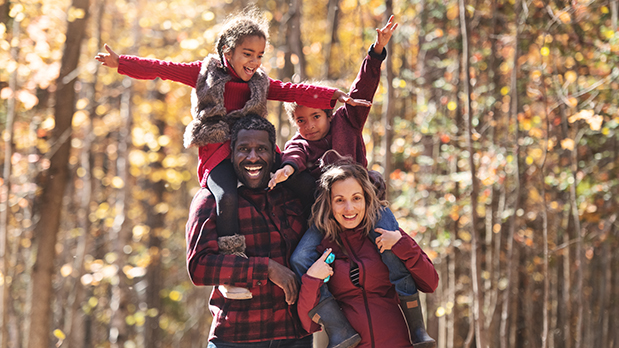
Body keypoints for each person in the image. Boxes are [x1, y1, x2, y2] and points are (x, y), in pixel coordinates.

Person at [96, 7, 369, 300]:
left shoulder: (259, 82)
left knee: (305, 185)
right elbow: (162, 69)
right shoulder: (204, 74)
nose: (254, 61)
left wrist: (330, 95)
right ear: (228, 50)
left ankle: (321, 241)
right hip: (218, 149)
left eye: (260, 55)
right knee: (226, 196)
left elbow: (290, 90)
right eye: (247, 53)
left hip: (254, 145)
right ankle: (233, 266)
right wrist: (121, 62)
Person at [185, 114, 313, 347]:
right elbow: (199, 266)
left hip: (295, 335)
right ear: (231, 153)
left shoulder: (291, 196)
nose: (253, 157)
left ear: (274, 154)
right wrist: (267, 268)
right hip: (237, 337)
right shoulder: (210, 200)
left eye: (261, 149)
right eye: (244, 149)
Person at [296, 159, 439, 348]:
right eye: (340, 200)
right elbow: (307, 323)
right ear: (329, 203)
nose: (349, 208)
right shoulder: (320, 249)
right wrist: (312, 279)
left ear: (366, 198)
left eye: (356, 198)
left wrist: (401, 244)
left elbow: (430, 282)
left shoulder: (386, 235)